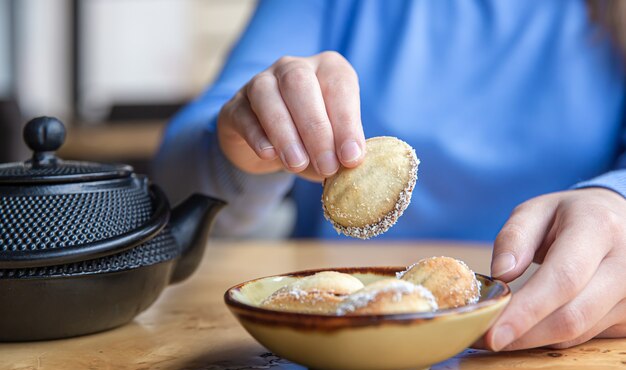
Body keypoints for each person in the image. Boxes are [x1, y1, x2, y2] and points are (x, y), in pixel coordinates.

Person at [153, 0, 626, 352]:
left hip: (550, 335)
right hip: (328, 340)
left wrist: (615, 198)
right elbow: (175, 189)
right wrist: (237, 146)